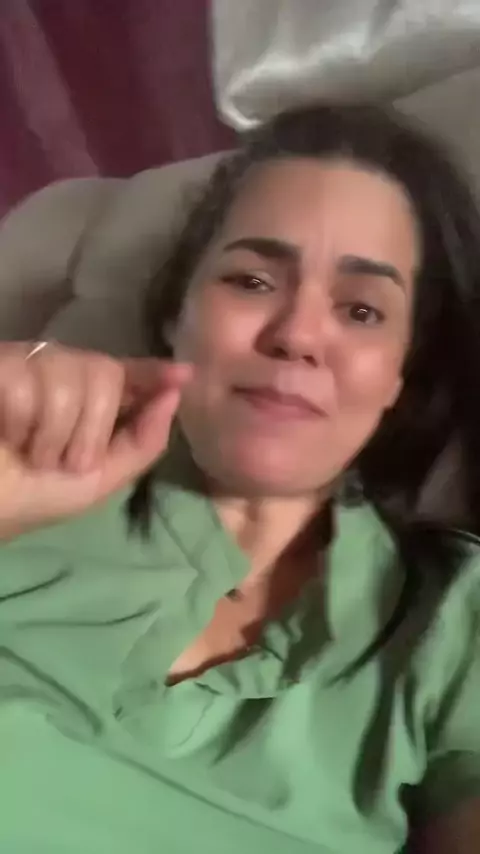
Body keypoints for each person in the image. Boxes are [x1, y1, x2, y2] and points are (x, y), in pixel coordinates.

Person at [0, 103, 479, 854]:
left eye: (362, 310)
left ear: (402, 373)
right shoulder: (26, 478)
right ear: (177, 314)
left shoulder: (452, 619)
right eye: (252, 281)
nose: (297, 335)